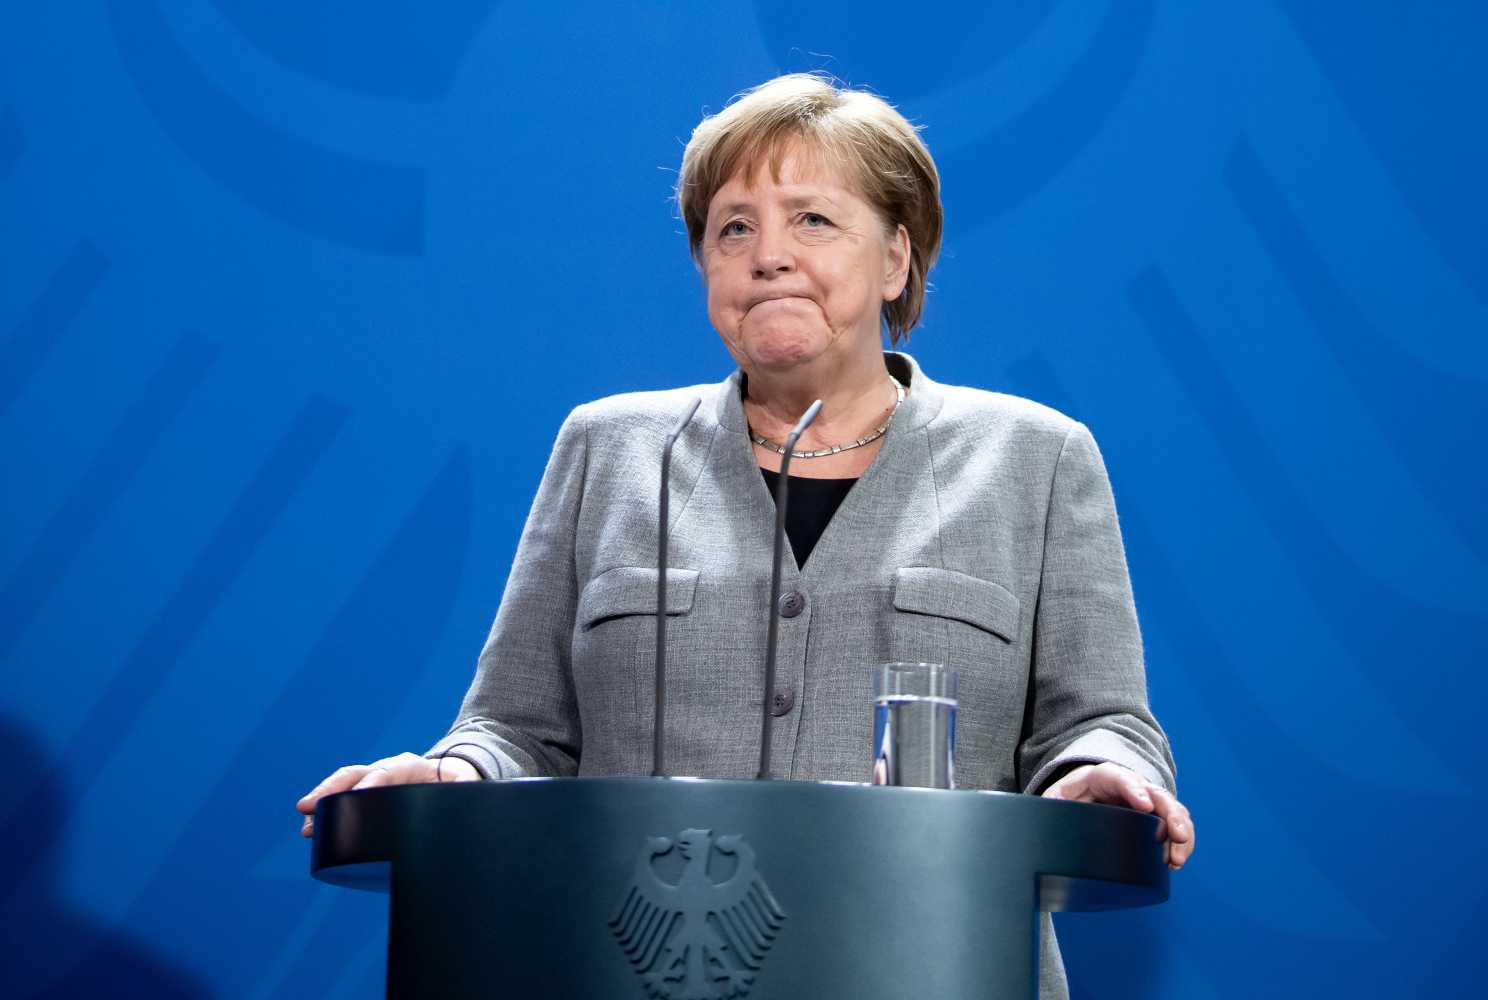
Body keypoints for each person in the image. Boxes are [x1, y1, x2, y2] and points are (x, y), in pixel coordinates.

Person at [296, 73, 1194, 998]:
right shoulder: (607, 447)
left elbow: (1102, 721)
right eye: (733, 228)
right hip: (626, 969)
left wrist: (1103, 771)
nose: (768, 256)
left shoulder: (1035, 458)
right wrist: (455, 771)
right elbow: (516, 727)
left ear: (895, 259)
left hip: (935, 965)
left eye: (812, 220)